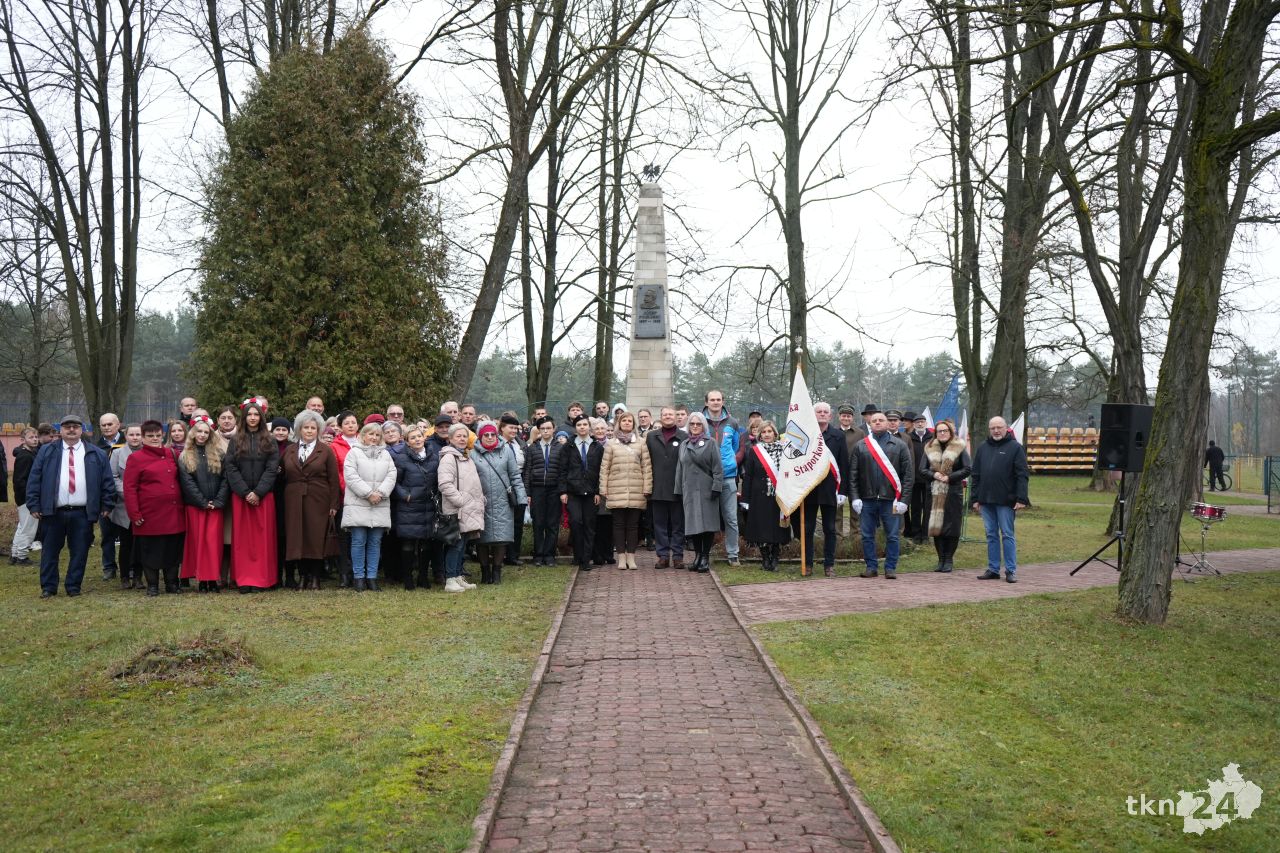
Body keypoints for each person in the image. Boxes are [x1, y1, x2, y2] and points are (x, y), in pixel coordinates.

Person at [26, 415, 116, 598]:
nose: (71, 430)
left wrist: (107, 504)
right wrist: (34, 503)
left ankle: (73, 586)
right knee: (50, 551)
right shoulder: (46, 451)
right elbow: (35, 478)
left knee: (80, 551)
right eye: (67, 427)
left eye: (75, 426)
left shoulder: (96, 453)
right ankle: (48, 587)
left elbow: (107, 482)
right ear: (60, 430)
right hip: (53, 511)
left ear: (81, 430)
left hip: (82, 512)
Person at [848, 410, 914, 580]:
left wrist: (904, 500)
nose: (877, 422)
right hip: (867, 499)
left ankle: (890, 568)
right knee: (867, 535)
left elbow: (908, 475)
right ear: (870, 423)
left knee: (892, 535)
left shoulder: (900, 445)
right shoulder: (861, 445)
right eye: (874, 420)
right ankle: (871, 567)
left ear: (887, 424)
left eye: (881, 420)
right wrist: (855, 497)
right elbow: (853, 475)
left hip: (891, 499)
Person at [124, 420, 187, 596]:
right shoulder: (135, 458)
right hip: (149, 514)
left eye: (158, 436)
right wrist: (134, 513)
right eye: (150, 436)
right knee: (150, 550)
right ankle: (152, 584)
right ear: (143, 437)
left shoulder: (171, 453)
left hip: (173, 512)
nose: (154, 439)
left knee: (172, 550)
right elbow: (130, 489)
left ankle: (172, 583)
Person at [281, 409, 342, 590]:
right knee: (297, 538)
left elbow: (333, 479)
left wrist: (333, 504)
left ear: (318, 430)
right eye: (305, 427)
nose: (309, 431)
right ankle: (303, 577)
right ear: (299, 429)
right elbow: (282, 474)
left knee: (314, 538)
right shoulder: (290, 450)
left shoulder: (326, 451)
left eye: (313, 428)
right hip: (293, 499)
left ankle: (315, 577)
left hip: (318, 499)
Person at [224, 402, 279, 592]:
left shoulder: (270, 440)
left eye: (256, 415)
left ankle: (262, 579)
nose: (253, 418)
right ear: (244, 417)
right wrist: (246, 492)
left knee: (263, 541)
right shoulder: (236, 440)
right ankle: (244, 579)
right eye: (250, 415)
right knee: (243, 541)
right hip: (242, 497)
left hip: (263, 497)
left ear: (261, 418)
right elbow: (230, 468)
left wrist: (259, 492)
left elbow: (272, 468)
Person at [971, 416, 1030, 583]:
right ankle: (993, 569)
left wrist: (1021, 498)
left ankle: (1010, 570)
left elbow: (1022, 475)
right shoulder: (982, 448)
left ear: (1006, 428)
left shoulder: (1015, 448)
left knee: (1007, 535)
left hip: (1006, 500)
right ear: (989, 430)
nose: (996, 431)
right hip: (986, 500)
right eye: (993, 428)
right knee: (991, 535)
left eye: (999, 427)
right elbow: (976, 475)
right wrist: (975, 499)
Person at [794, 402, 850, 578]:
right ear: (813, 414)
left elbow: (843, 465)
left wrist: (843, 491)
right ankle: (808, 564)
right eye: (819, 411)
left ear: (830, 416)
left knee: (829, 529)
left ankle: (829, 565)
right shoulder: (806, 435)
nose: (822, 414)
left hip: (830, 489)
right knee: (808, 529)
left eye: (826, 412)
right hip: (809, 489)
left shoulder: (838, 436)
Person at [342, 422, 396, 591]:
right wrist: (368, 494)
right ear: (363, 435)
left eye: (377, 435)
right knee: (358, 541)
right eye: (370, 434)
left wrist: (380, 493)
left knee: (375, 542)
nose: (374, 438)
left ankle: (372, 578)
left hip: (380, 503)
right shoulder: (354, 453)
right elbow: (350, 476)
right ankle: (359, 578)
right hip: (358, 503)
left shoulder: (386, 455)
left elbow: (391, 475)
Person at [178, 417, 230, 592]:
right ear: (193, 433)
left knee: (214, 544)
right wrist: (201, 502)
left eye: (206, 432)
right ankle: (201, 579)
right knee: (199, 543)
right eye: (199, 431)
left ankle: (213, 579)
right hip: (196, 507)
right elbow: (187, 483)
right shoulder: (185, 456)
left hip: (215, 506)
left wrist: (218, 501)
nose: (202, 435)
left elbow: (225, 479)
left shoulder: (219, 453)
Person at [472, 422, 527, 584]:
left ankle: (497, 572)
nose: (489, 437)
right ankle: (485, 572)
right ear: (480, 436)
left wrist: (521, 498)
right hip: (482, 502)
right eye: (486, 435)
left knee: (501, 538)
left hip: (503, 501)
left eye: (492, 434)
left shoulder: (506, 451)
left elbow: (515, 476)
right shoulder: (473, 454)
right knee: (481, 539)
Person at [599, 411, 652, 571]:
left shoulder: (641, 443)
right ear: (619, 424)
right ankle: (621, 557)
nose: (627, 423)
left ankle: (631, 556)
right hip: (616, 489)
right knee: (618, 524)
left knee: (633, 525)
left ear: (633, 424)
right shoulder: (611, 444)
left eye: (630, 421)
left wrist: (647, 487)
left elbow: (647, 467)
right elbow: (604, 468)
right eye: (624, 421)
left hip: (636, 489)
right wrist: (604, 488)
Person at [918, 419, 971, 573]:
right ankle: (940, 559)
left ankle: (948, 559)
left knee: (952, 526)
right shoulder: (929, 447)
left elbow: (968, 468)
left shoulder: (959, 447)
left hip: (953, 492)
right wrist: (934, 474)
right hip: (934, 492)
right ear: (935, 433)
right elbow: (922, 469)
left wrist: (950, 477)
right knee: (937, 526)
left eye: (945, 431)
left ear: (950, 432)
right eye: (939, 431)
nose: (942, 433)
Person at [739, 420, 792, 572]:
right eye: (763, 432)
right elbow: (748, 476)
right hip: (759, 496)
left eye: (769, 431)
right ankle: (765, 558)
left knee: (777, 528)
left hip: (778, 496)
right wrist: (745, 499)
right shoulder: (754, 451)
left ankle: (775, 557)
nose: (767, 434)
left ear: (775, 433)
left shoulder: (784, 450)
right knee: (761, 528)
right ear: (760, 435)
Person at [674, 412, 723, 574]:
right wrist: (678, 490)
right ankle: (697, 556)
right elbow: (679, 469)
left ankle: (705, 557)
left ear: (703, 426)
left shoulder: (711, 443)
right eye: (692, 424)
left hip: (707, 489)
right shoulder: (684, 444)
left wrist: (717, 486)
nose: (695, 426)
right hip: (689, 490)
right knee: (693, 524)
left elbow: (717, 468)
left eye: (698, 424)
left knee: (707, 525)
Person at [392, 424, 438, 590]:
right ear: (407, 442)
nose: (417, 439)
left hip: (429, 505)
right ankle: (408, 578)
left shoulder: (434, 456)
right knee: (408, 544)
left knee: (426, 544)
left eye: (419, 436)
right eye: (413, 438)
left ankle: (423, 576)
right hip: (409, 506)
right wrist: (405, 495)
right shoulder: (401, 458)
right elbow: (395, 482)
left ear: (424, 437)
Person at [437, 423, 483, 592]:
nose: (462, 439)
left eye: (465, 436)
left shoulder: (466, 457)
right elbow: (444, 484)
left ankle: (457, 576)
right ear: (450, 439)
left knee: (462, 544)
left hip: (468, 509)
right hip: (457, 509)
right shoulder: (449, 458)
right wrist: (460, 501)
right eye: (458, 436)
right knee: (455, 545)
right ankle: (450, 580)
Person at [702, 389, 743, 566]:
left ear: (723, 401)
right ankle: (704, 553)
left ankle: (733, 554)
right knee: (706, 518)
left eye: (719, 399)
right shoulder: (699, 421)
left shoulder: (733, 422)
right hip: (706, 477)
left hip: (727, 477)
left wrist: (732, 462)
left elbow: (736, 447)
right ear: (706, 402)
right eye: (712, 400)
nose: (716, 402)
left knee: (731, 518)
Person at [558, 415, 604, 572]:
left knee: (589, 525)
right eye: (579, 425)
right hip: (573, 492)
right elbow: (562, 470)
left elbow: (600, 471)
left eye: (585, 424)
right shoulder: (568, 446)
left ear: (589, 427)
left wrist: (598, 491)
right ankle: (578, 555)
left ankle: (586, 559)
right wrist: (563, 490)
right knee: (576, 523)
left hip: (591, 493)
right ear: (575, 427)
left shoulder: (597, 446)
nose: (582, 427)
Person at [646, 406, 687, 569]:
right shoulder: (651, 437)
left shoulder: (684, 437)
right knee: (659, 524)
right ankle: (662, 556)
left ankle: (678, 556)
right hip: (657, 488)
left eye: (671, 414)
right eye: (665, 414)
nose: (668, 416)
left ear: (676, 417)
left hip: (678, 488)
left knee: (678, 524)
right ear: (660, 417)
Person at [107, 425, 143, 588]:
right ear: (125, 436)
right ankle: (124, 577)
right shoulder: (117, 453)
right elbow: (113, 477)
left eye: (138, 434)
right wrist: (128, 494)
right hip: (125, 504)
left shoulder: (149, 452)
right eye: (131, 434)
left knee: (141, 543)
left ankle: (138, 576)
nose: (135, 437)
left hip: (145, 503)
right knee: (126, 542)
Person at [524, 417, 562, 566]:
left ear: (553, 429)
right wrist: (528, 492)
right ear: (539, 430)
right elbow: (527, 471)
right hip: (537, 489)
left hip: (554, 489)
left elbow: (562, 471)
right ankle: (538, 555)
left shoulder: (560, 447)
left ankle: (550, 555)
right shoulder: (532, 448)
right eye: (543, 428)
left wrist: (561, 490)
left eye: (548, 428)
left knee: (552, 523)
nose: (546, 431)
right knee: (538, 523)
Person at [96, 412, 126, 581]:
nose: (107, 428)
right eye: (104, 425)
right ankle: (109, 566)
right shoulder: (95, 447)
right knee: (107, 535)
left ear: (118, 425)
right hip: (105, 497)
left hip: (125, 497)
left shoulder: (128, 443)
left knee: (127, 535)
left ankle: (128, 567)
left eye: (110, 424)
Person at [498, 414, 527, 565]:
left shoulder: (520, 444)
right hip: (501, 485)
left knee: (517, 522)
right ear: (502, 428)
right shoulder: (496, 443)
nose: (514, 430)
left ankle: (513, 555)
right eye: (511, 427)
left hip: (519, 484)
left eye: (516, 428)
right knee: (503, 521)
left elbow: (527, 467)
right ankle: (500, 555)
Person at [9, 427, 40, 565]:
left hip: (25, 497)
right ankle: (22, 556)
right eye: (31, 437)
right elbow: (19, 480)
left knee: (22, 526)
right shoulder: (25, 456)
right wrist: (28, 498)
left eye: (36, 437)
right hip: (27, 498)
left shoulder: (30, 454)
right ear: (23, 440)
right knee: (28, 528)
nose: (35, 440)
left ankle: (15, 554)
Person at [589, 418, 614, 565]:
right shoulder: (591, 445)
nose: (599, 431)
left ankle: (608, 553)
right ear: (592, 431)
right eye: (596, 429)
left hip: (609, 489)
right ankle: (597, 554)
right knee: (596, 523)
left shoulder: (612, 445)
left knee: (608, 523)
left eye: (602, 428)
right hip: (594, 489)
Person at [905, 412, 933, 543]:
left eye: (922, 421)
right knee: (915, 507)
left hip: (930, 478)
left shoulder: (933, 438)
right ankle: (916, 534)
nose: (920, 424)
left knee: (928, 507)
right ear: (914, 424)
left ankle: (925, 534)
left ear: (926, 423)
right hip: (915, 478)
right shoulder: (909, 438)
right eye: (917, 422)